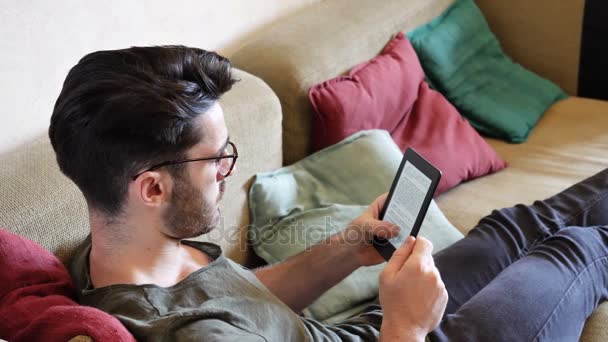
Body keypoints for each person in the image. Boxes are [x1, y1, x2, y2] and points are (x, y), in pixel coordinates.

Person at [49, 46, 608, 342]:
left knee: (512, 226)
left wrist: (349, 246)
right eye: (217, 158)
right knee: (577, 250)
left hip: (368, 329)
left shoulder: (115, 251)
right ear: (151, 186)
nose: (227, 170)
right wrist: (406, 325)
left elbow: (239, 299)